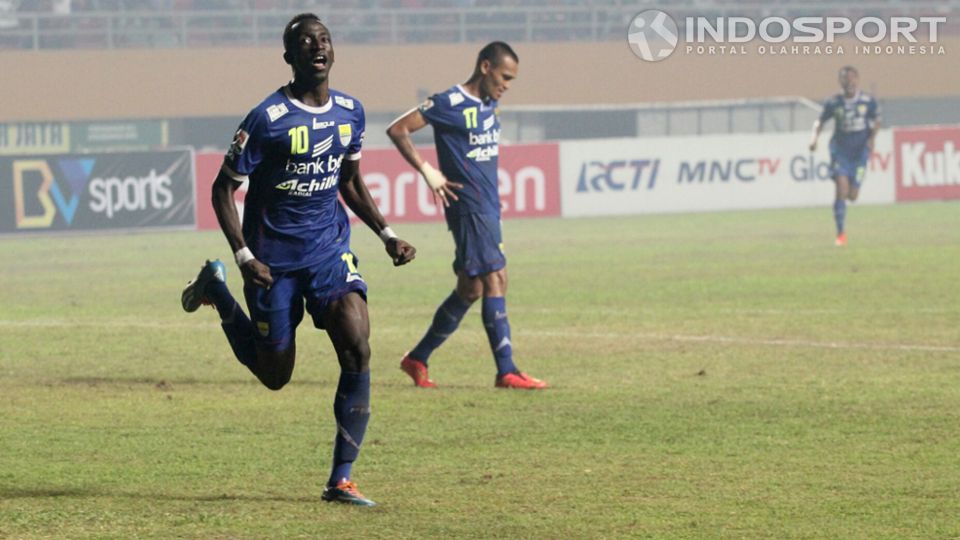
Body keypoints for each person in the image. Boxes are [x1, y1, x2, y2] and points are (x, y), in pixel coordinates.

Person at [180, 13, 416, 507]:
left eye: (324, 39)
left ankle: (341, 480)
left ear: (333, 50)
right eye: (305, 42)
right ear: (288, 57)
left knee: (358, 344)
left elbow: (348, 181)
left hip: (329, 251)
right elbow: (223, 189)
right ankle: (218, 293)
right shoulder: (266, 118)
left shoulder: (351, 111)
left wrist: (387, 234)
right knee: (275, 374)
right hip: (271, 262)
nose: (317, 47)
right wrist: (243, 255)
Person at [385, 41, 547, 390]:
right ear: (485, 67)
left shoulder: (491, 105)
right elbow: (398, 129)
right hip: (470, 207)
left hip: (487, 206)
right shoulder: (449, 103)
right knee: (495, 278)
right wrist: (428, 170)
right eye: (504, 76)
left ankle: (417, 358)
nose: (506, 85)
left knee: (471, 287)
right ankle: (507, 371)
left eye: (512, 80)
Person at [809, 66, 881, 246]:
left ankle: (845, 211)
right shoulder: (833, 102)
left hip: (860, 152)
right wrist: (814, 139)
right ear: (840, 81)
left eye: (851, 78)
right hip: (840, 151)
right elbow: (820, 121)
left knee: (853, 195)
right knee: (841, 188)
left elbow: (877, 121)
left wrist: (872, 138)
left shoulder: (867, 101)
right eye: (844, 78)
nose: (849, 81)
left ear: (857, 79)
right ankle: (840, 234)